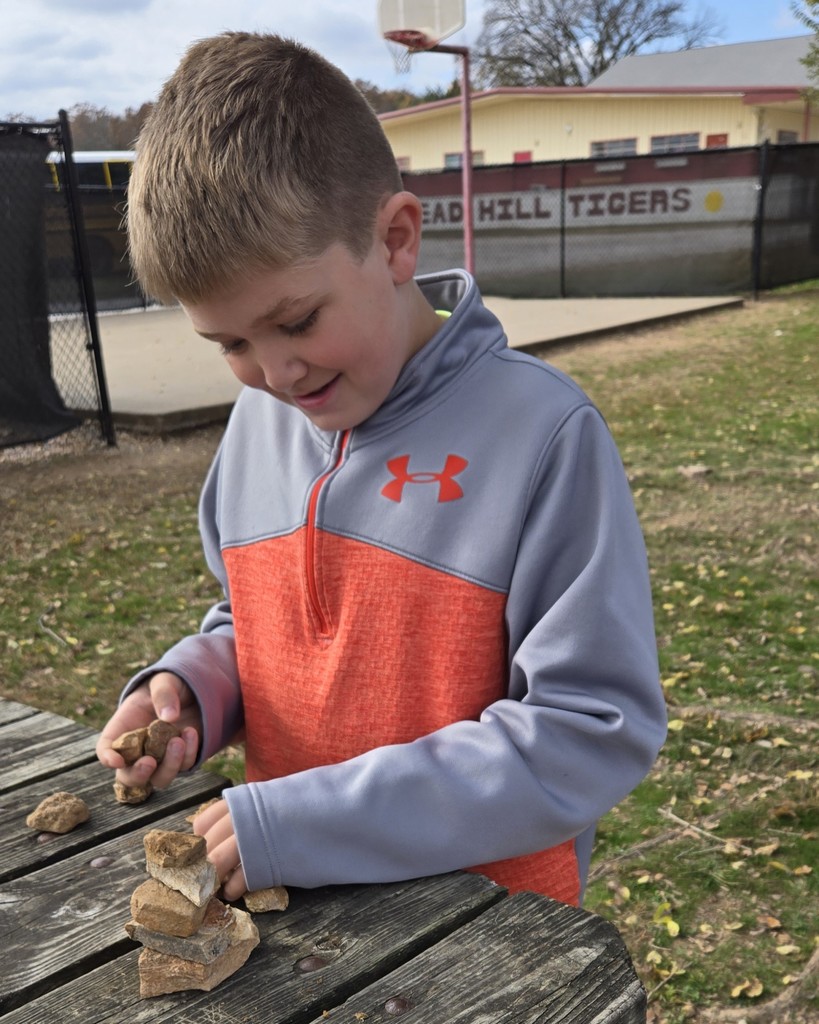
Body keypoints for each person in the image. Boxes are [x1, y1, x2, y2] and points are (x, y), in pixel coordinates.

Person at [96, 31, 666, 908]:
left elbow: (588, 731)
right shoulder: (258, 422)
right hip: (292, 917)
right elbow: (256, 626)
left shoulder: (543, 435)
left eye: (296, 321)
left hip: (485, 931)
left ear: (396, 239)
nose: (276, 373)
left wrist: (308, 825)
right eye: (230, 343)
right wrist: (197, 690)